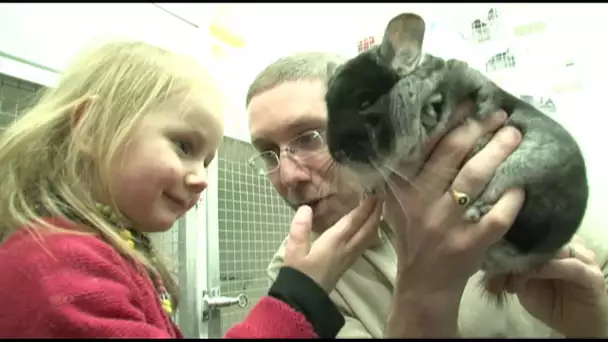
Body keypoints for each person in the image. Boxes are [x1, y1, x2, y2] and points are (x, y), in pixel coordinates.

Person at [0, 40, 383, 338]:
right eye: (184, 146)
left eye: (309, 137)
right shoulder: (58, 264)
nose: (201, 179)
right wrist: (300, 295)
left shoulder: (101, 252)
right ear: (92, 128)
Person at [246, 51, 608, 338]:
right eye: (267, 152)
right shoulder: (295, 277)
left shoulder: (521, 175)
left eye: (309, 137)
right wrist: (422, 291)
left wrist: (594, 329)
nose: (289, 174)